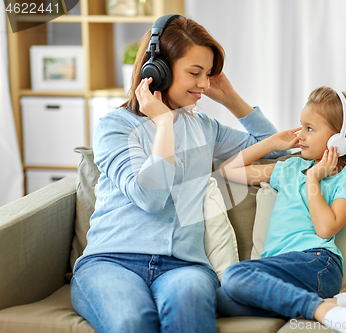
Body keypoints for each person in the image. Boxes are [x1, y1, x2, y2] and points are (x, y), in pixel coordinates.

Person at [70, 15, 288, 333]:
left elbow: (275, 149)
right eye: (194, 73)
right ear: (156, 70)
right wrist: (164, 125)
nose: (203, 84)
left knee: (190, 315)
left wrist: (230, 99)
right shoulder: (114, 127)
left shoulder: (203, 127)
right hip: (112, 261)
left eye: (208, 74)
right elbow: (150, 197)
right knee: (133, 322)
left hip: (183, 266)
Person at [216, 87, 346, 333]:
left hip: (317, 264)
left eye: (310, 129)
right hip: (278, 269)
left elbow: (325, 228)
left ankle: (323, 310)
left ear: (338, 139)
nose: (301, 136)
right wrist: (272, 142)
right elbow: (229, 170)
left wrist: (313, 180)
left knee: (234, 275)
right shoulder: (289, 168)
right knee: (222, 299)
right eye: (301, 126)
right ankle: (332, 303)